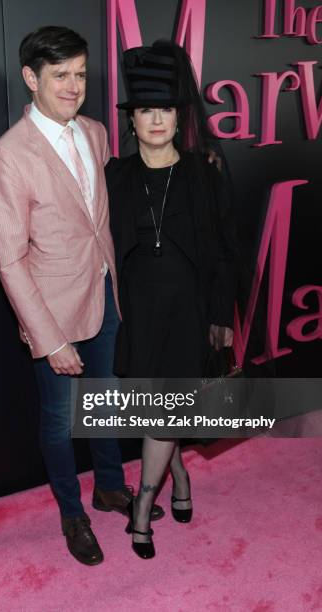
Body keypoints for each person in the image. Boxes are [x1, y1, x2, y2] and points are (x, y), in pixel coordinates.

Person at [0, 26, 163, 567]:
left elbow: (99, 221)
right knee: (60, 419)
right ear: (30, 78)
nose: (73, 85)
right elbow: (10, 259)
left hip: (105, 295)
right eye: (60, 75)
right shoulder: (8, 156)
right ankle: (72, 513)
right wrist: (49, 337)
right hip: (54, 314)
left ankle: (110, 487)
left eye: (80, 74)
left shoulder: (96, 131)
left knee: (103, 403)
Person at [106, 41, 238, 559]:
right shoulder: (115, 176)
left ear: (178, 116)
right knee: (151, 415)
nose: (156, 119)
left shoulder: (204, 172)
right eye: (145, 110)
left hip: (186, 314)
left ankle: (142, 507)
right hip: (136, 313)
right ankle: (179, 478)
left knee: (163, 415)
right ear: (132, 119)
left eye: (165, 109)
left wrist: (220, 317)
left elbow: (226, 251)